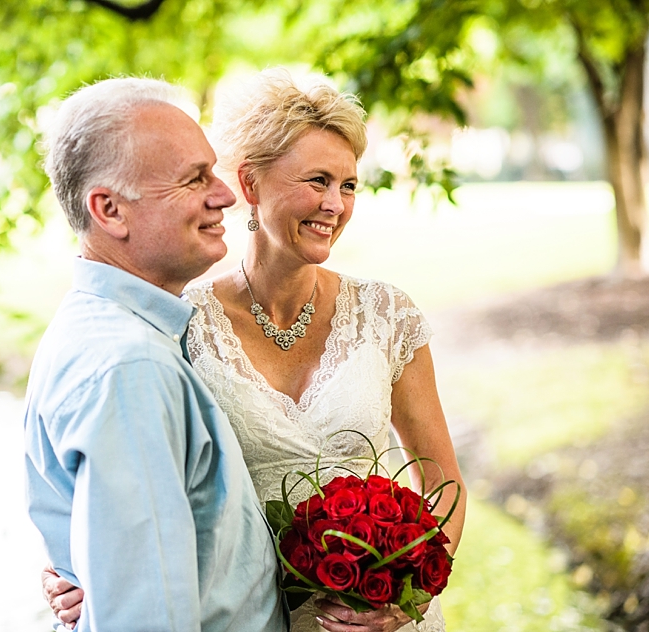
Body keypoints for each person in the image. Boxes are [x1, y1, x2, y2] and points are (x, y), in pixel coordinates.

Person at [43, 69, 467, 632]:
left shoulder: (387, 316)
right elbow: (126, 474)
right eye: (317, 180)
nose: (335, 205)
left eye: (348, 185)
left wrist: (408, 592)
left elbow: (444, 482)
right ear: (250, 184)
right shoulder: (181, 325)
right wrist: (75, 570)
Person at [23, 77, 287, 632]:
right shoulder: (130, 370)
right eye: (194, 179)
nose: (225, 195)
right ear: (110, 210)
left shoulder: (105, 333)